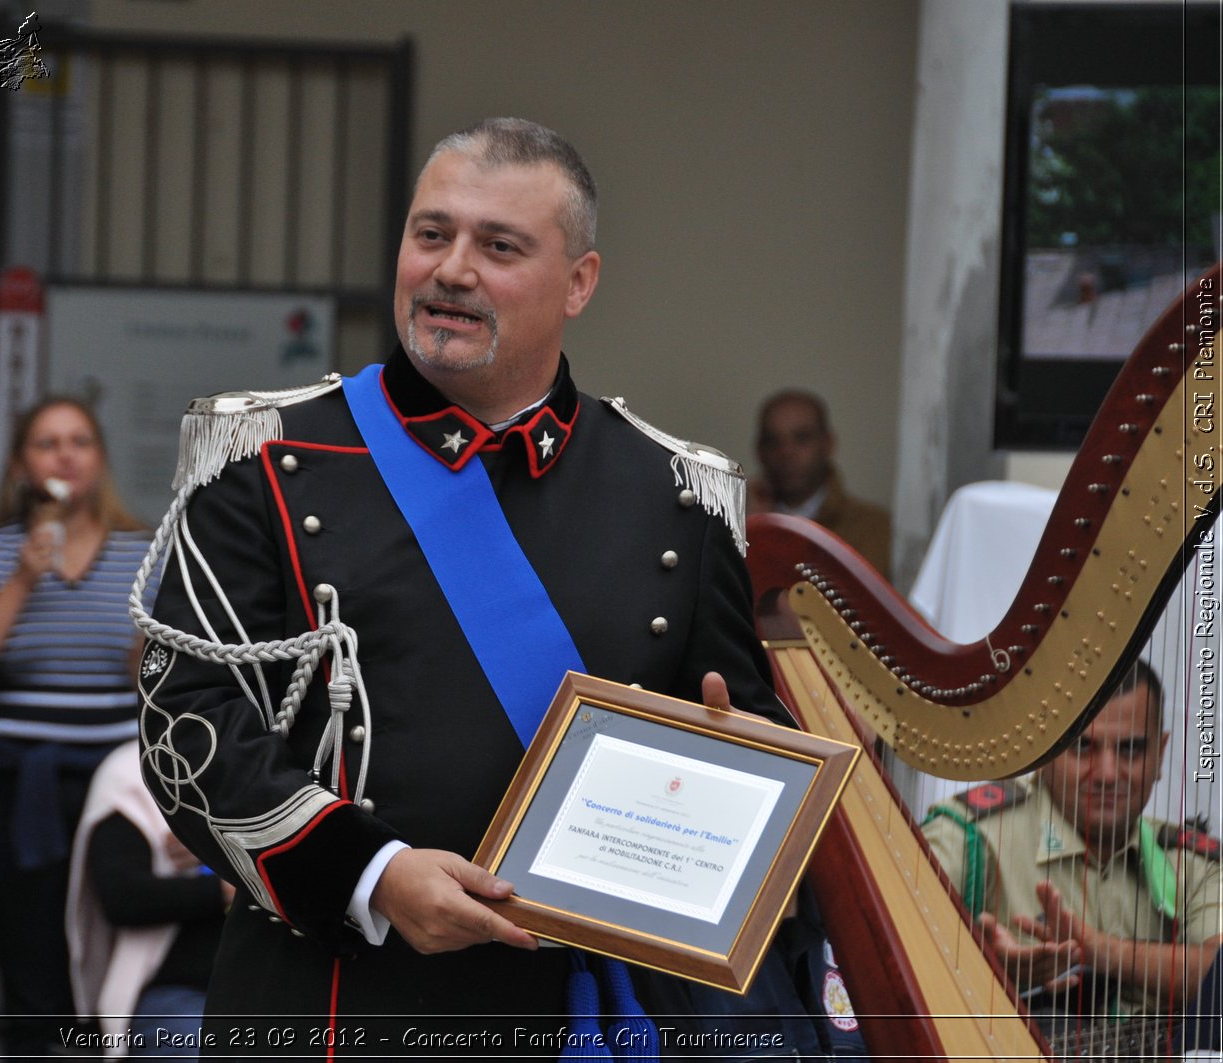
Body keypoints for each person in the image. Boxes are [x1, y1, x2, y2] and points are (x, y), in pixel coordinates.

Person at [134, 118, 863, 1057]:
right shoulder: (265, 459)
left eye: (499, 246)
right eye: (431, 234)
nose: (452, 269)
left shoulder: (677, 493)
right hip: (336, 1002)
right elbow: (183, 727)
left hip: (595, 1019)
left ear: (579, 283)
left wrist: (748, 774)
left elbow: (735, 733)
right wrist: (375, 875)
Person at [0, 396, 153, 1061]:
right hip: (9, 788)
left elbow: (166, 683)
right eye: (47, 443)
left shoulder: (145, 550)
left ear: (100, 460)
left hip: (118, 792)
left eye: (80, 441)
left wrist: (153, 652)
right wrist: (25, 577)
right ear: (22, 464)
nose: (64, 455)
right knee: (31, 967)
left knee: (112, 961)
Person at [923, 661, 1222, 1024]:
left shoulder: (1193, 861)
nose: (1108, 774)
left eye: (1130, 750)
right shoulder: (968, 836)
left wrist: (1101, 952)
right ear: (1045, 746)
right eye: (1083, 747)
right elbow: (892, 951)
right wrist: (980, 969)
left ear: (1160, 754)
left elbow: (1218, 976)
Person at [67, 739, 231, 1059]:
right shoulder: (132, 769)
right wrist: (226, 890)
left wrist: (227, 846)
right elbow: (123, 898)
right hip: (181, 989)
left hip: (287, 985)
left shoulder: (302, 755)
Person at [749, 389, 891, 572]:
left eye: (801, 438)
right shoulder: (736, 526)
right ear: (759, 450)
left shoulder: (875, 530)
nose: (786, 452)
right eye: (773, 441)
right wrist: (754, 533)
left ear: (828, 443)